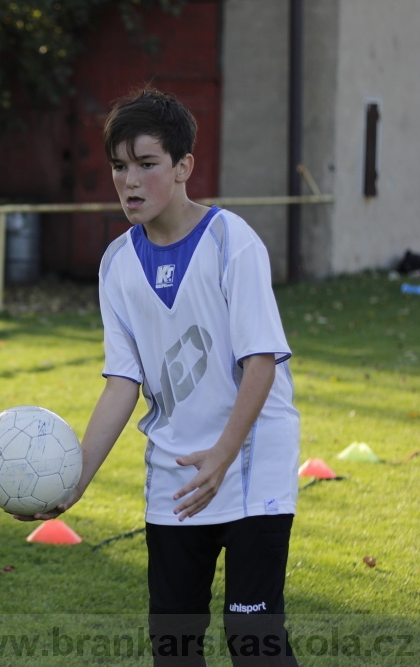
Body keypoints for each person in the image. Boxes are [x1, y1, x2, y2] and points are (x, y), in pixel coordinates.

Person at [19, 88, 300, 665]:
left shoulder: (231, 241)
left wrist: (223, 454)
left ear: (182, 167)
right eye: (119, 166)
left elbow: (261, 361)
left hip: (251, 466)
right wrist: (73, 483)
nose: (130, 181)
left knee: (254, 643)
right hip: (174, 475)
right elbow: (122, 383)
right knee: (173, 646)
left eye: (146, 164)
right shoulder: (116, 264)